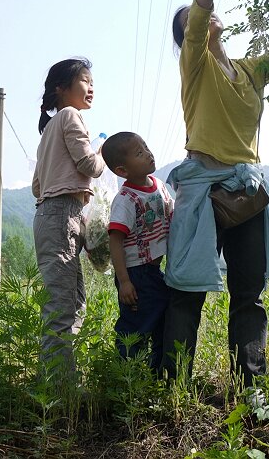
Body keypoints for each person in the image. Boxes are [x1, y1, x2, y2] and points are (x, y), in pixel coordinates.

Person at [161, 0, 269, 389]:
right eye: (192, 21)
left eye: (202, 18)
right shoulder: (196, 65)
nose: (203, 19)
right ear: (187, 35)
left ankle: (252, 390)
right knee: (188, 292)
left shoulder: (247, 69)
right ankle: (172, 389)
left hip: (244, 193)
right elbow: (201, 6)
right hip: (203, 191)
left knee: (249, 295)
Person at [32, 56, 105, 370]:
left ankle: (63, 383)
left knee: (70, 302)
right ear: (62, 88)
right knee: (64, 307)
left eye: (92, 83)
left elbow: (37, 186)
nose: (91, 88)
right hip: (62, 215)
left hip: (52, 215)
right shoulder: (71, 115)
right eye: (85, 81)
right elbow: (90, 166)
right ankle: (58, 390)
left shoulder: (48, 130)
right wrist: (104, 149)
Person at [101, 132, 174, 370]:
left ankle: (154, 376)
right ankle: (126, 374)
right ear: (122, 170)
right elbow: (115, 240)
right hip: (136, 275)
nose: (148, 154)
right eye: (139, 153)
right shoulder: (126, 199)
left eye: (146, 147)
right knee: (135, 327)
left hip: (154, 272)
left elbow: (172, 216)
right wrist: (124, 281)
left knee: (161, 322)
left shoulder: (159, 187)